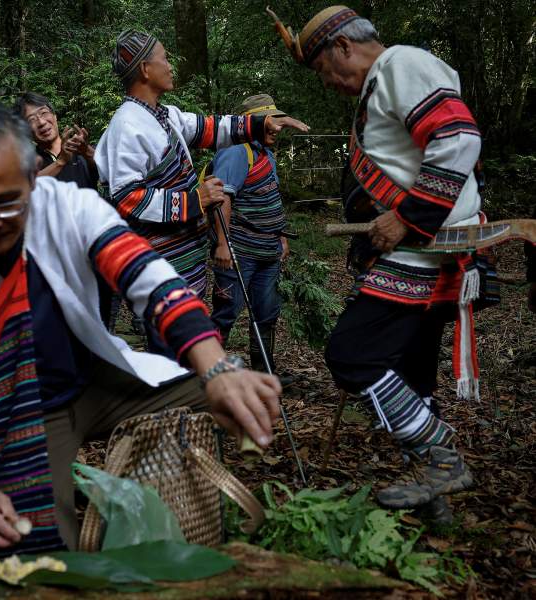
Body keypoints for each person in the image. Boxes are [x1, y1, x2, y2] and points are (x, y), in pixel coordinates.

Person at [0, 103, 282, 557]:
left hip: (93, 377)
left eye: (8, 202)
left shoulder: (67, 207)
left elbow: (149, 279)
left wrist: (218, 369)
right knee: (30, 548)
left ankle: (173, 505)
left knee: (224, 381)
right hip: (15, 411)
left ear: (33, 178)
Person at [269, 6, 481, 513]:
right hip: (420, 249)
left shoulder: (401, 64)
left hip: (421, 248)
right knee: (411, 371)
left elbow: (457, 138)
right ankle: (433, 496)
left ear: (343, 46)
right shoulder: (385, 80)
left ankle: (438, 455)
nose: (329, 83)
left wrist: (406, 216)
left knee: (352, 354)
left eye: (324, 70)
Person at [95, 29, 308, 356]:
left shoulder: (163, 116)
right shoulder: (128, 125)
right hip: (161, 265)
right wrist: (196, 200)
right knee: (169, 346)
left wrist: (259, 124)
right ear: (144, 70)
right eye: (164, 58)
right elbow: (127, 198)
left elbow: (209, 128)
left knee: (181, 338)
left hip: (182, 263)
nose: (170, 66)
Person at [208, 94, 291, 380]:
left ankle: (264, 372)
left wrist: (280, 236)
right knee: (226, 313)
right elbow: (222, 199)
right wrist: (223, 244)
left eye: (276, 121)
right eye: (268, 122)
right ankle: (211, 376)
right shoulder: (236, 152)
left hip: (267, 250)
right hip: (239, 251)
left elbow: (270, 196)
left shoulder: (264, 154)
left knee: (267, 313)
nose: (276, 127)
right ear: (249, 124)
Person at [14, 92, 99, 190]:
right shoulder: (30, 162)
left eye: (44, 113)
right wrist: (61, 161)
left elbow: (108, 169)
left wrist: (86, 151)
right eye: (31, 119)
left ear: (55, 116)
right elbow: (24, 186)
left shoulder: (81, 149)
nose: (41, 122)